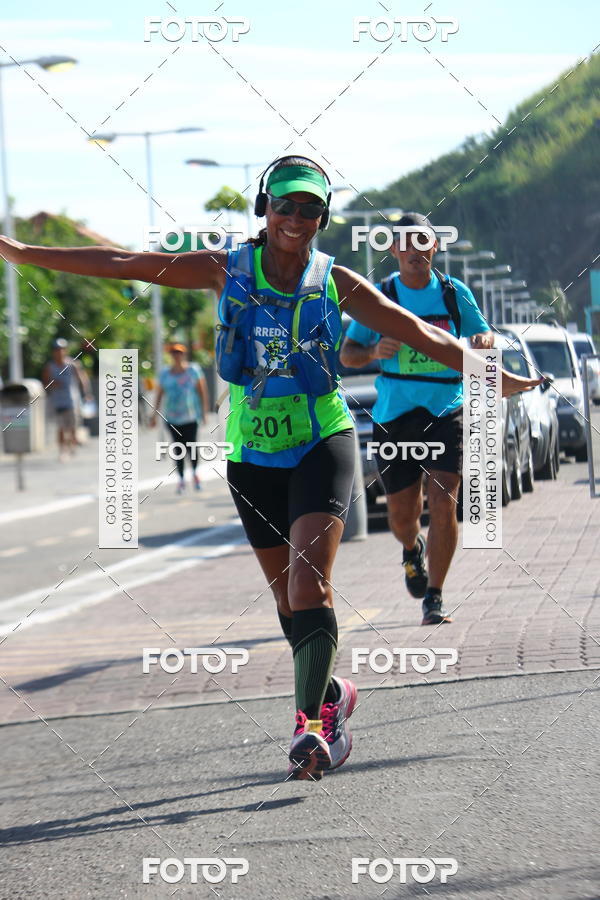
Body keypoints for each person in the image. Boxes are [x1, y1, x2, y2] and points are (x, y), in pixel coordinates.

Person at [0, 156, 539, 782]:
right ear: (266, 208)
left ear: (323, 218)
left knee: (310, 586)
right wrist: (16, 251)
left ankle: (313, 728)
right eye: (285, 205)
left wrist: (490, 374)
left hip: (321, 440)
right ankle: (333, 693)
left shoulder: (334, 280)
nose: (296, 218)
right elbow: (122, 263)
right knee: (289, 603)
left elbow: (421, 333)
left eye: (310, 208)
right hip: (251, 454)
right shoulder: (223, 268)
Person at [340, 213, 494, 626]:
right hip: (396, 414)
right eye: (405, 243)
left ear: (433, 247)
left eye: (421, 241)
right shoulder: (382, 298)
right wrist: (373, 353)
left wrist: (482, 340)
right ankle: (411, 550)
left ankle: (435, 597)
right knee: (402, 517)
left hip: (446, 408)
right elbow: (347, 354)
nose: (414, 251)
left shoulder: (452, 293)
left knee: (444, 500)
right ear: (393, 251)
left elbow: (483, 334)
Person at [150, 344, 209, 493]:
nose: (177, 356)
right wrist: (154, 415)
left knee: (192, 446)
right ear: (171, 356)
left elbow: (202, 391)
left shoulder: (193, 371)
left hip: (190, 416)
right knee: (178, 448)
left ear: (183, 354)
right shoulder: (165, 374)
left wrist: (204, 412)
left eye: (179, 353)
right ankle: (181, 478)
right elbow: (159, 394)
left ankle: (195, 474)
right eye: (174, 353)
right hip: (172, 417)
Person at [42, 338, 93, 461]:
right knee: (60, 427)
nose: (59, 352)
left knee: (72, 426)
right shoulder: (50, 367)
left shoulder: (73, 365)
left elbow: (82, 379)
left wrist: (86, 393)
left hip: (72, 401)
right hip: (57, 401)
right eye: (56, 350)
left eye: (61, 350)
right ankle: (63, 450)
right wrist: (53, 384)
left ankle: (71, 444)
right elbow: (45, 383)